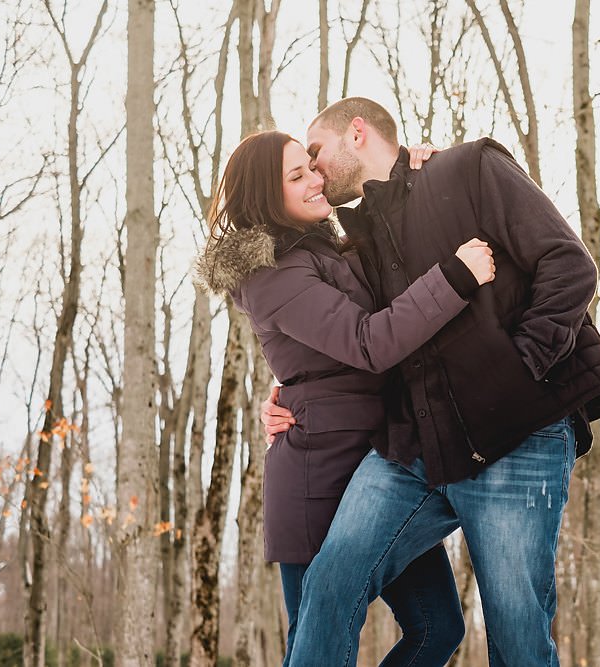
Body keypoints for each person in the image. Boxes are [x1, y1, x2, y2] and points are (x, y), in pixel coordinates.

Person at [261, 98, 600, 667]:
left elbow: (569, 264)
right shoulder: (355, 236)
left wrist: (521, 370)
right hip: (413, 449)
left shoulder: (471, 168)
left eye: (315, 154)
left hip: (518, 439)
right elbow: (349, 334)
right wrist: (287, 394)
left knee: (517, 638)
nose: (313, 171)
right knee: (331, 583)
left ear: (356, 132)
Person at [195, 130, 497, 666]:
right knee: (319, 643)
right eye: (296, 176)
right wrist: (455, 277)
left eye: (311, 166)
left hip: (384, 461)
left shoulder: (322, 244)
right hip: (322, 476)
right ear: (267, 195)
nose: (316, 179)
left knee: (438, 628)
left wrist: (409, 168)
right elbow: (367, 341)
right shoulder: (269, 274)